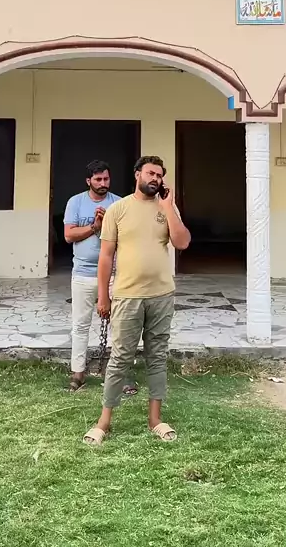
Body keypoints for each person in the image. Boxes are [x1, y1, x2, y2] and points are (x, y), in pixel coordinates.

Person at [83, 156, 191, 446]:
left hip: (161, 295)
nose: (155, 178)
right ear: (137, 175)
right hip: (127, 296)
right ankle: (104, 421)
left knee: (157, 356)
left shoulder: (166, 208)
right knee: (120, 358)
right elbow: (106, 257)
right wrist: (103, 295)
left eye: (160, 175)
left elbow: (182, 242)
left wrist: (168, 208)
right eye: (150, 173)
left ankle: (155, 419)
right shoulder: (118, 210)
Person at [64, 160, 136, 394]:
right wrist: (95, 226)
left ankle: (118, 374)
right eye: (98, 179)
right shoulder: (76, 202)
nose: (103, 183)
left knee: (119, 326)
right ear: (89, 181)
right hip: (83, 273)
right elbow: (69, 235)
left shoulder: (120, 203)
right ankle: (78, 373)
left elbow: (128, 238)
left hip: (116, 274)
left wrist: (108, 225)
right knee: (80, 325)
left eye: (106, 179)